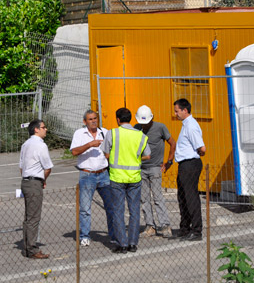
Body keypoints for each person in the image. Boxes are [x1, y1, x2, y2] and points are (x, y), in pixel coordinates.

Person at [102, 107, 150, 253]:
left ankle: (122, 243)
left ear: (117, 119)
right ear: (131, 119)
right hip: (134, 177)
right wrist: (135, 159)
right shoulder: (140, 135)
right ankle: (133, 243)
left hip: (117, 177)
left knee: (118, 211)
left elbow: (106, 153)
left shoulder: (112, 133)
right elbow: (148, 155)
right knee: (134, 210)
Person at [70, 110, 116, 247]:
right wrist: (90, 144)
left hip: (103, 174)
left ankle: (113, 235)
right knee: (85, 208)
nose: (93, 121)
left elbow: (111, 150)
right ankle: (84, 235)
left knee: (111, 206)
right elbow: (74, 152)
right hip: (87, 174)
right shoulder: (79, 133)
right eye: (90, 119)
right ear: (85, 121)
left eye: (95, 118)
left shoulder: (105, 132)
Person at [134, 105, 176, 239]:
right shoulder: (136, 128)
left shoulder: (160, 127)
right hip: (140, 168)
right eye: (142, 123)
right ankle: (150, 226)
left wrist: (169, 161)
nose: (144, 126)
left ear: (152, 118)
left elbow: (172, 143)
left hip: (155, 167)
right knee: (144, 198)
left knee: (158, 198)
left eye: (146, 123)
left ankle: (165, 225)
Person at [19, 119, 53, 259]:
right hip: (34, 183)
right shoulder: (40, 145)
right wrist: (43, 180)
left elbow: (21, 167)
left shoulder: (26, 144)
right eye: (43, 127)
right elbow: (48, 167)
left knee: (28, 217)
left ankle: (28, 247)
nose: (46, 130)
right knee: (33, 218)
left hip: (26, 181)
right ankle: (32, 249)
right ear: (36, 129)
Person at [173, 98, 206, 241]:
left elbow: (202, 148)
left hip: (190, 164)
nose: (175, 114)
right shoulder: (186, 124)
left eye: (177, 111)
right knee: (183, 197)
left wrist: (197, 154)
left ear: (185, 110)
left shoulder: (191, 125)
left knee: (191, 197)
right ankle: (185, 228)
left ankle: (196, 230)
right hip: (184, 164)